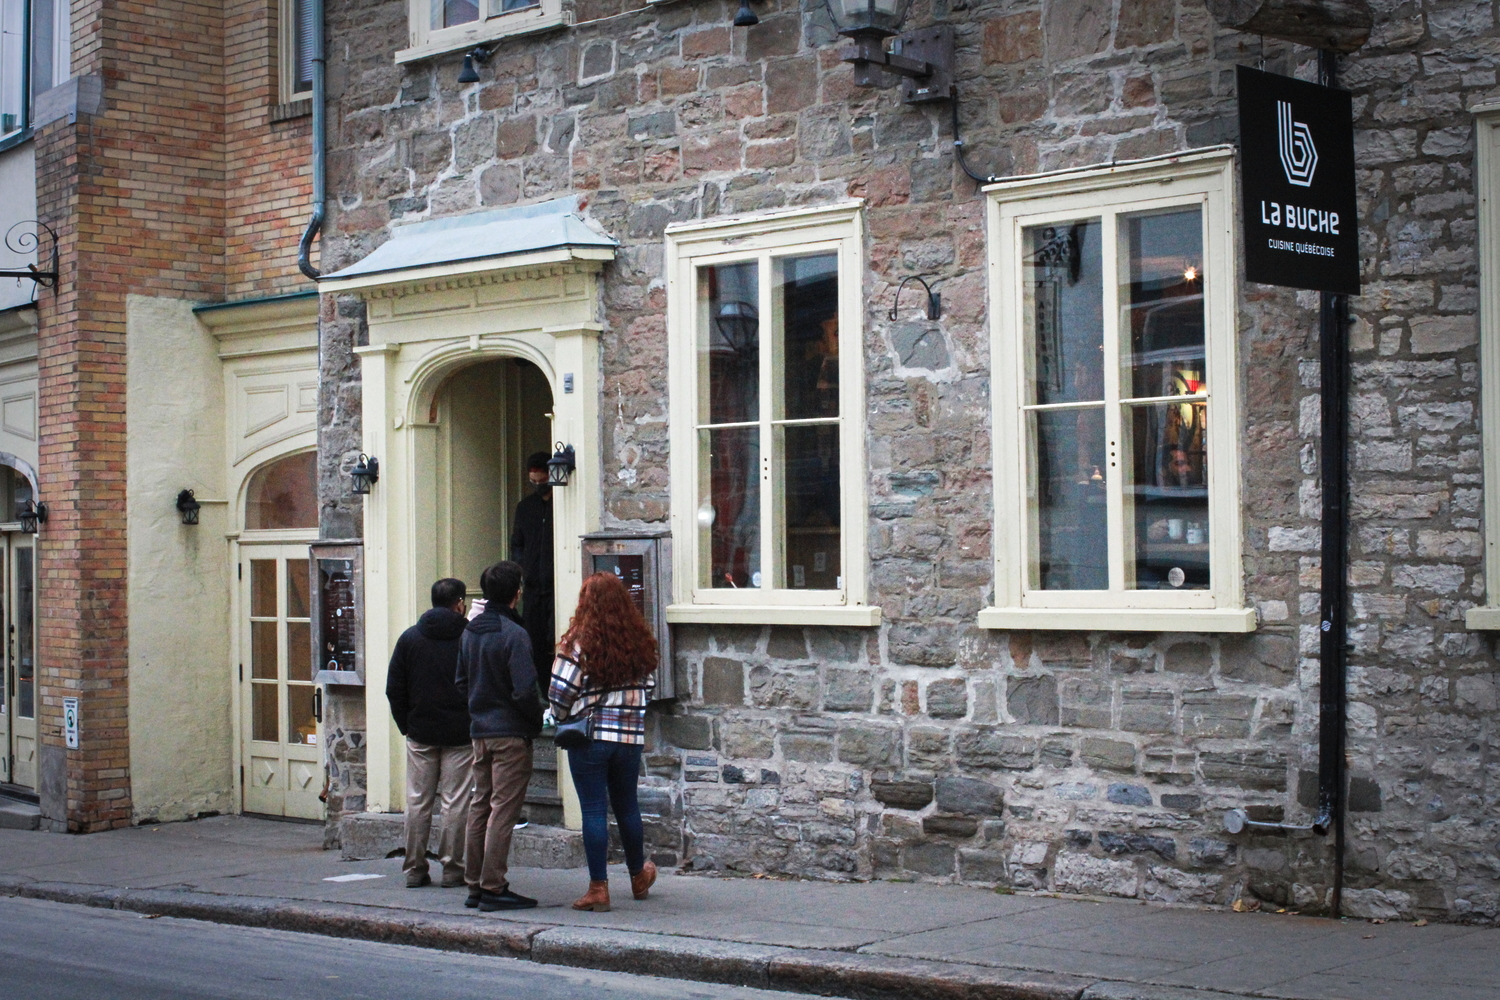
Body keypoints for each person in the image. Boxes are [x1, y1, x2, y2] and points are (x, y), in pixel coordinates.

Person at [549, 571, 659, 912]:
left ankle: (598, 888)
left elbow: (560, 692)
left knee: (594, 809)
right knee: (627, 805)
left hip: (590, 737)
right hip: (628, 737)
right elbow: (649, 687)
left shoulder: (577, 644)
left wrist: (562, 715)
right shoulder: (637, 642)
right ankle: (638, 876)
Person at [456, 560, 543, 912]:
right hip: (508, 732)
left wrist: (479, 706)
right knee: (502, 811)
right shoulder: (514, 634)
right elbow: (525, 690)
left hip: (480, 730)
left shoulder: (471, 631)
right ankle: (493, 885)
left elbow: (461, 682)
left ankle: (474, 883)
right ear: (516, 594)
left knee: (480, 805)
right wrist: (534, 723)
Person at [384, 578, 473, 889]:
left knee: (418, 801)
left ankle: (415, 868)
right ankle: (452, 868)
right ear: (459, 603)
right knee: (455, 802)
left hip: (421, 730)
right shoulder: (468, 637)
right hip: (461, 733)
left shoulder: (410, 638)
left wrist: (407, 725)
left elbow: (394, 689)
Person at [511, 451, 555, 676]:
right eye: (533, 481)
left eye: (542, 481)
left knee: (554, 639)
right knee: (534, 641)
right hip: (532, 588)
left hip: (555, 586)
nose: (538, 485)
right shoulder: (525, 507)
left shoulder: (561, 506)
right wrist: (522, 570)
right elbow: (517, 543)